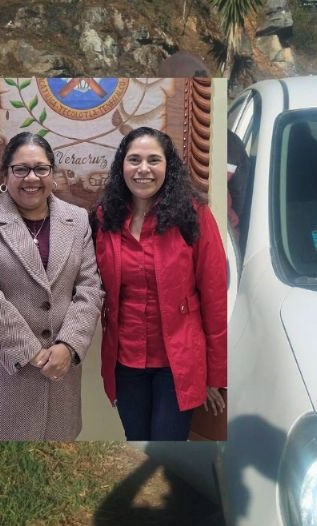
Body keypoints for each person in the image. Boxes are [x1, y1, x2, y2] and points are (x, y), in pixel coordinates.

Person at [0, 132, 104, 441]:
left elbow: (90, 289)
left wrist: (68, 346)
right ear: (5, 175)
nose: (31, 178)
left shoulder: (77, 220)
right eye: (21, 169)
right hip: (0, 376)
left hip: (60, 375)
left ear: (53, 174)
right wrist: (33, 353)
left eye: (41, 168)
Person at [92, 127, 227, 441]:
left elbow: (215, 297)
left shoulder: (194, 215)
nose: (143, 169)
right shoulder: (105, 218)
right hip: (125, 361)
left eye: (153, 160)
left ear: (168, 167)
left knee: (167, 447)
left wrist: (215, 373)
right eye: (134, 160)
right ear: (122, 166)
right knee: (138, 445)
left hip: (178, 361)